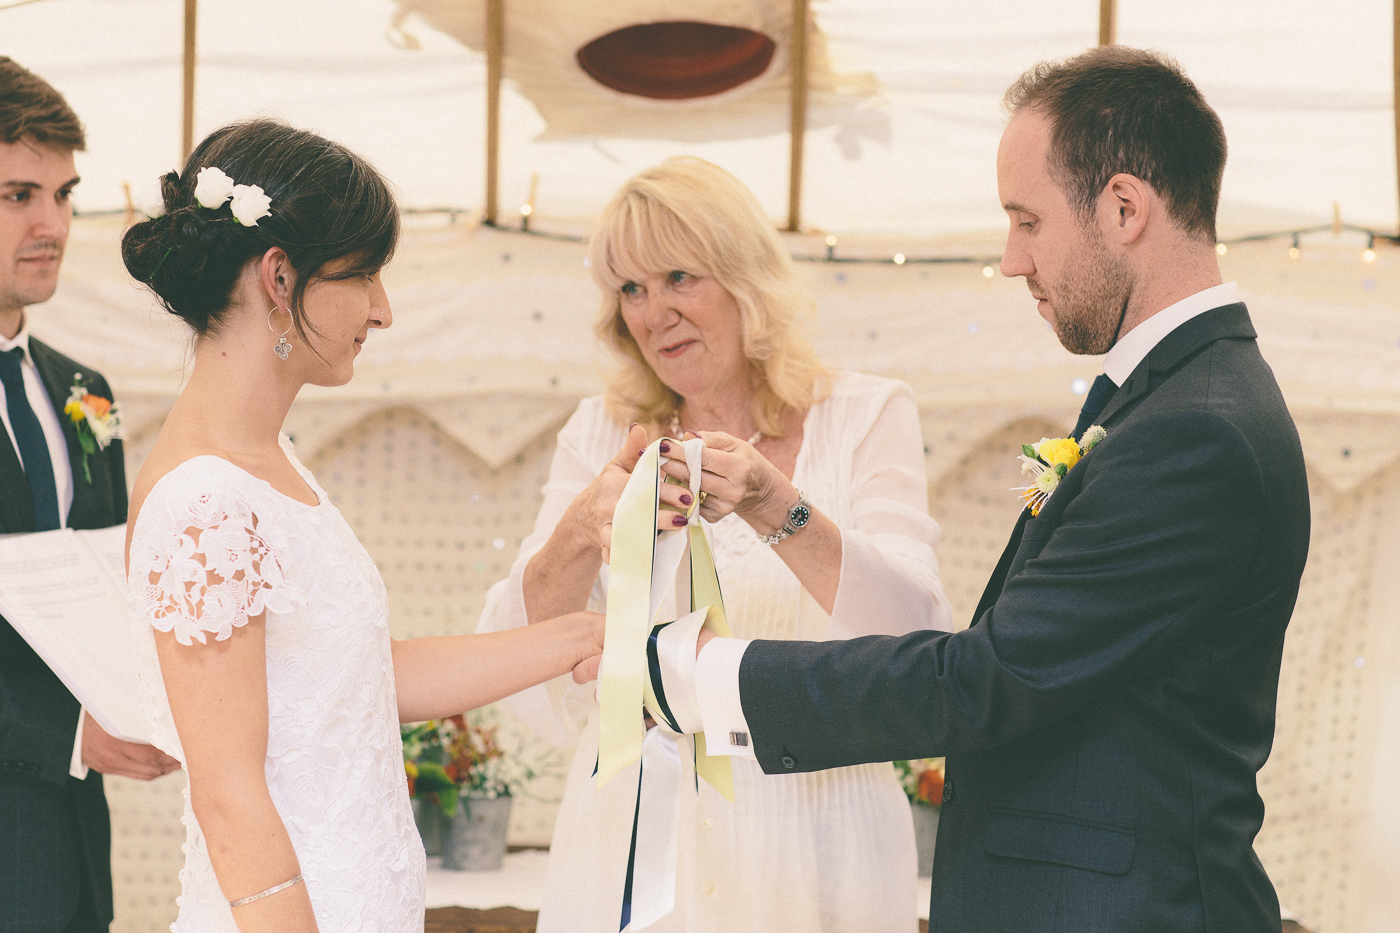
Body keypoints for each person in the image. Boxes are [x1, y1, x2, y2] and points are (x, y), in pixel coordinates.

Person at [662, 47, 1311, 932]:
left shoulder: (1196, 427)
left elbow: (989, 678)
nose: (1011, 260)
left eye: (1027, 221)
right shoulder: (1172, 395)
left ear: (1124, 207)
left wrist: (705, 676)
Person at [118, 119, 602, 933]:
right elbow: (230, 796)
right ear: (279, 277)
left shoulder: (273, 464)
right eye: (366, 274)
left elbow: (351, 680)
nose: (383, 310)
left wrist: (579, 636)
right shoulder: (205, 502)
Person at [476, 156, 952, 932]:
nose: (652, 311)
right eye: (629, 288)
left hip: (823, 821)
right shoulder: (600, 432)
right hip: (638, 830)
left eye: (676, 277)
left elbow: (917, 632)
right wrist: (581, 529)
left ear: (746, 278)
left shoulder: (868, 414)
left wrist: (778, 506)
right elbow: (513, 649)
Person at [0, 57, 181, 933]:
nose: (53, 224)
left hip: (74, 852)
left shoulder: (86, 389)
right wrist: (69, 735)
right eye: (17, 195)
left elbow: (110, 581)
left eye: (64, 195)